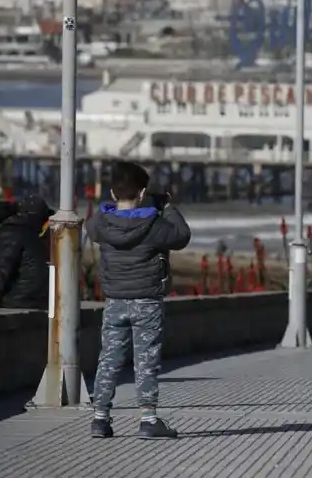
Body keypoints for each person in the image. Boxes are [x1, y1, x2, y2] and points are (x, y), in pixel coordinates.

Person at [86, 161, 191, 440]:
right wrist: (166, 206)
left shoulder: (101, 223)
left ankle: (100, 419)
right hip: (147, 301)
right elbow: (182, 235)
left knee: (109, 359)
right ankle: (148, 420)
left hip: (114, 300)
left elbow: (91, 226)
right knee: (146, 361)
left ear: (112, 192)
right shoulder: (154, 224)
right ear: (143, 193)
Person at [0, 196, 54, 310]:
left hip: (20, 299)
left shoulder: (10, 230)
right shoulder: (29, 231)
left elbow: (4, 270)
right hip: (40, 299)